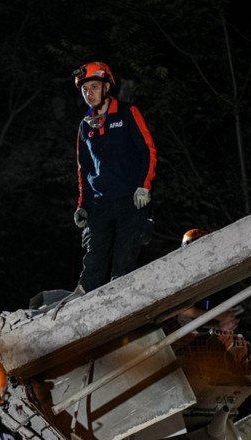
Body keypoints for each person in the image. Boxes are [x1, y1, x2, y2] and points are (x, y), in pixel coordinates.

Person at [72, 61, 157, 294]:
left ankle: (119, 303)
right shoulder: (84, 126)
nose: (89, 94)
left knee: (123, 263)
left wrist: (144, 186)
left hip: (130, 200)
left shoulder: (128, 113)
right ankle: (82, 301)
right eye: (85, 89)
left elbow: (147, 151)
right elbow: (84, 170)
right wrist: (83, 206)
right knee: (92, 263)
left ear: (106, 87)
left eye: (94, 87)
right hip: (101, 203)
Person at [177, 229, 239, 331]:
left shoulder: (209, 275)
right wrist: (219, 315)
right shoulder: (184, 273)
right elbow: (184, 310)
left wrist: (221, 325)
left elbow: (198, 318)